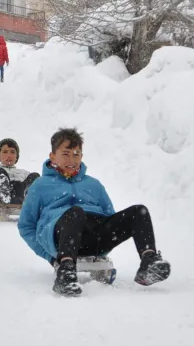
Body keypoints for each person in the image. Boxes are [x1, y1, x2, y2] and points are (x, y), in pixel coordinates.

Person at [18, 127, 171, 296]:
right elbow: (26, 226)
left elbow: (109, 216)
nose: (72, 159)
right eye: (66, 153)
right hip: (61, 238)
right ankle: (66, 272)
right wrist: (51, 256)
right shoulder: (40, 186)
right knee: (75, 212)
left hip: (94, 238)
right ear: (52, 156)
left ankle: (148, 262)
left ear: (82, 156)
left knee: (138, 211)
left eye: (76, 154)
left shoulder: (94, 185)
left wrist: (104, 247)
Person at [0, 138, 40, 221]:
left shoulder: (24, 173)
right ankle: (4, 191)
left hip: (22, 198)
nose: (9, 155)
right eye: (5, 152)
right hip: (1, 200)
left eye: (12, 152)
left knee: (35, 176)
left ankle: (28, 197)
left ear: (17, 156)